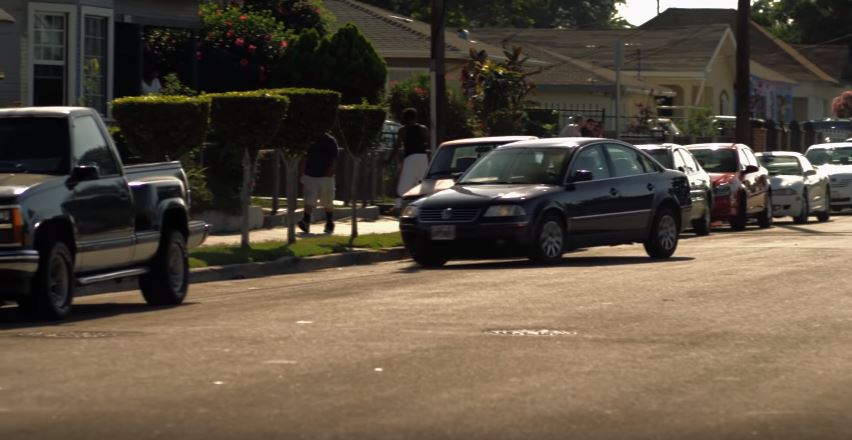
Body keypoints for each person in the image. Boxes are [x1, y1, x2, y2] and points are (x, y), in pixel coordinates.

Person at [388, 108, 430, 208]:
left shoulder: (403, 130)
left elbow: (396, 146)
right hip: (423, 158)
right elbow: (429, 142)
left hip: (410, 158)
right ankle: (423, 206)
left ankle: (398, 207)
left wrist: (389, 160)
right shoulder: (423, 128)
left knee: (403, 185)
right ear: (415, 117)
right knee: (422, 184)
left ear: (405, 118)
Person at [298, 132, 339, 234]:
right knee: (309, 199)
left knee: (327, 201)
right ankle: (306, 221)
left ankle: (329, 223)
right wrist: (302, 173)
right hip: (310, 175)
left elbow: (334, 159)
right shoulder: (310, 140)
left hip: (326, 176)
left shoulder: (330, 141)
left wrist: (330, 172)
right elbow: (305, 157)